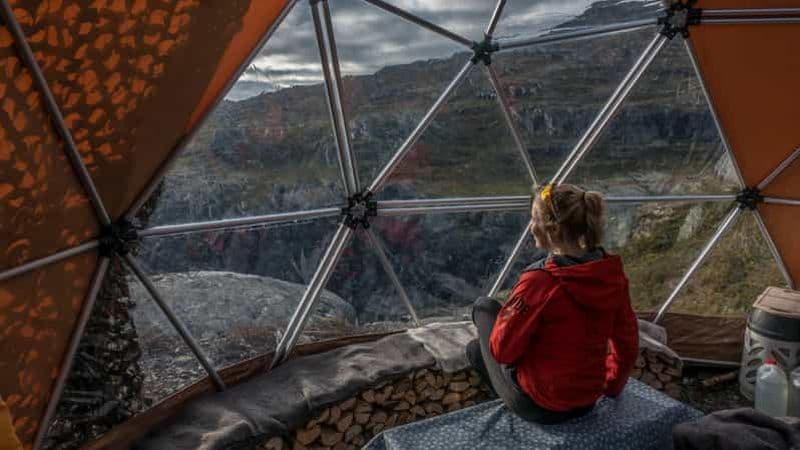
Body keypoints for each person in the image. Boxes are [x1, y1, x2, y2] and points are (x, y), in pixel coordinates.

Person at [467, 183, 639, 424]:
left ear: (552, 229)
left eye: (534, 219)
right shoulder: (611, 275)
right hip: (587, 402)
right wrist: (611, 386)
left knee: (483, 312)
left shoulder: (539, 282)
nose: (531, 226)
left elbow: (502, 352)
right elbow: (627, 343)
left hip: (540, 405)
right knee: (478, 347)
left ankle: (514, 408)